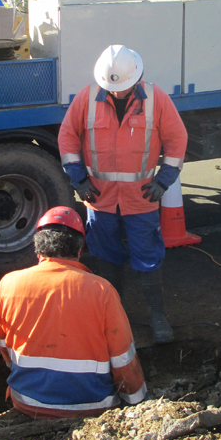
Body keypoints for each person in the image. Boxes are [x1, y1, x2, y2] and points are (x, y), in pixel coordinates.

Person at [58, 44, 188, 344]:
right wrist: (78, 179)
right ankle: (111, 318)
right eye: (113, 88)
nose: (117, 93)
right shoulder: (86, 99)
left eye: (123, 88)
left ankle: (157, 316)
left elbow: (177, 140)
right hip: (99, 199)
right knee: (106, 257)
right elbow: (67, 138)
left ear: (137, 78)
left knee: (148, 258)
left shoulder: (157, 100)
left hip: (140, 198)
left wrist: (164, 180)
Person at [0, 206, 147, 418]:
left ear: (38, 250)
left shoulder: (8, 284)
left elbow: (5, 349)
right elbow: (123, 361)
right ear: (80, 250)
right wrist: (138, 404)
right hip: (93, 408)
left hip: (27, 405)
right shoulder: (101, 290)